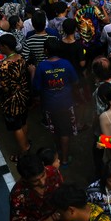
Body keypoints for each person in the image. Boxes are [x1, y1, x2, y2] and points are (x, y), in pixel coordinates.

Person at [33, 37, 79, 167]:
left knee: (54, 129)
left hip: (49, 105)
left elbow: (36, 87)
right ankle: (64, 160)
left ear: (46, 50)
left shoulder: (42, 66)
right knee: (65, 131)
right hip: (66, 103)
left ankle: (57, 149)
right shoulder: (66, 64)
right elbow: (75, 81)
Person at [9, 153, 67, 221]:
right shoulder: (18, 196)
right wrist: (53, 218)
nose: (42, 182)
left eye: (43, 175)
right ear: (24, 179)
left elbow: (64, 195)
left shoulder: (53, 172)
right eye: (35, 181)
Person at [0, 33, 31, 162]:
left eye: (0, 45)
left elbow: (5, 87)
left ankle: (24, 151)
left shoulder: (5, 65)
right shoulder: (20, 57)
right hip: (23, 95)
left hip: (12, 100)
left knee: (16, 126)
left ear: (5, 46)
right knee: (23, 121)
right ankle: (26, 143)